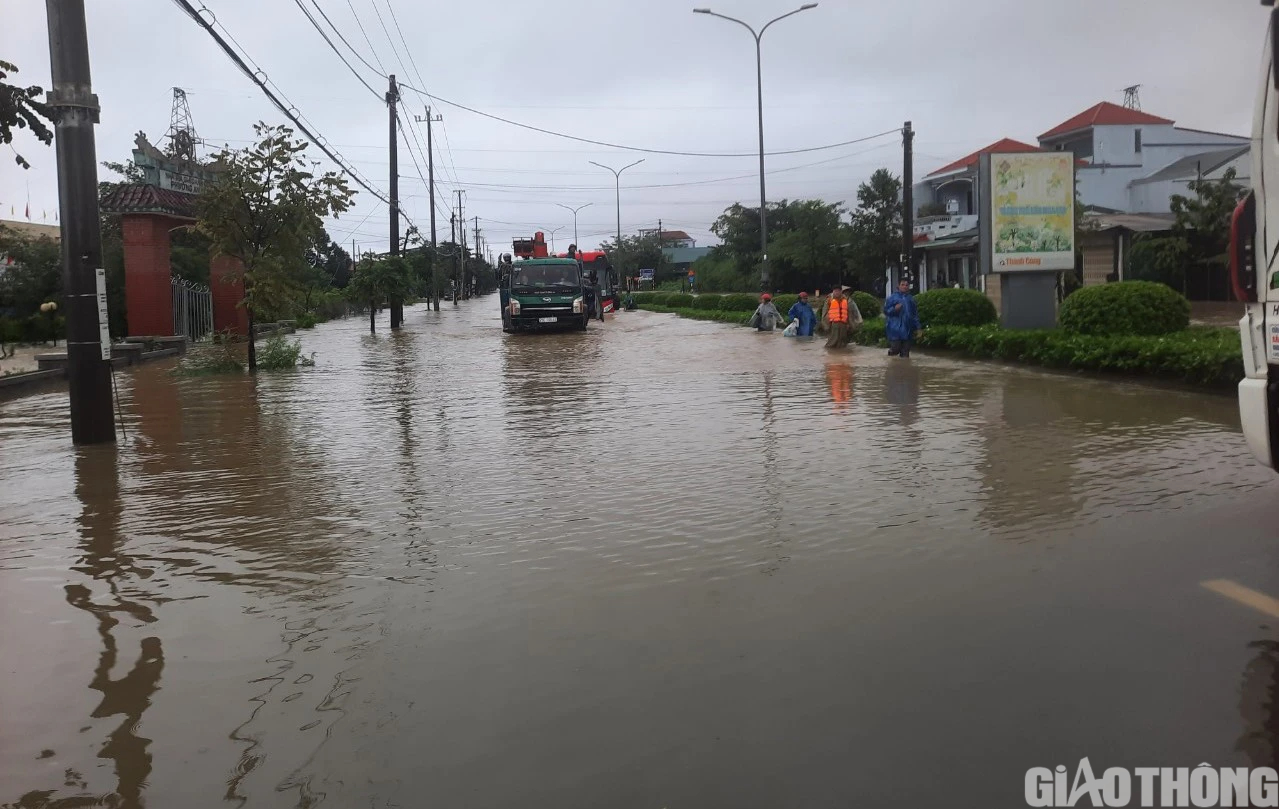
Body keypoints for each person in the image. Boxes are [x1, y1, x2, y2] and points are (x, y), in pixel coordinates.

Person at [884, 278, 922, 358]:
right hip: (895, 329)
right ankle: (890, 358)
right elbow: (886, 311)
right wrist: (894, 309)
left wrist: (918, 328)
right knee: (895, 348)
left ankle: (904, 369)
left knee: (905, 354)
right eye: (902, 285)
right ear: (898, 286)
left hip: (908, 329)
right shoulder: (892, 298)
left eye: (906, 285)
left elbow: (915, 314)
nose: (904, 287)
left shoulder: (911, 299)